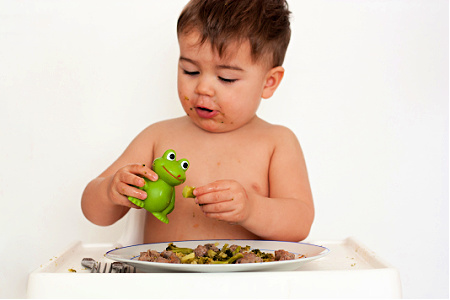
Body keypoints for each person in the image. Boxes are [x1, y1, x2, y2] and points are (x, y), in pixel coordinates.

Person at [81, 0, 314, 243]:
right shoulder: (157, 137)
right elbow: (94, 212)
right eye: (190, 71)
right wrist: (111, 191)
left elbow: (300, 223)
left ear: (269, 82)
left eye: (226, 78)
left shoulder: (276, 142)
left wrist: (252, 209)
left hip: (249, 281)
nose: (203, 88)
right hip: (161, 279)